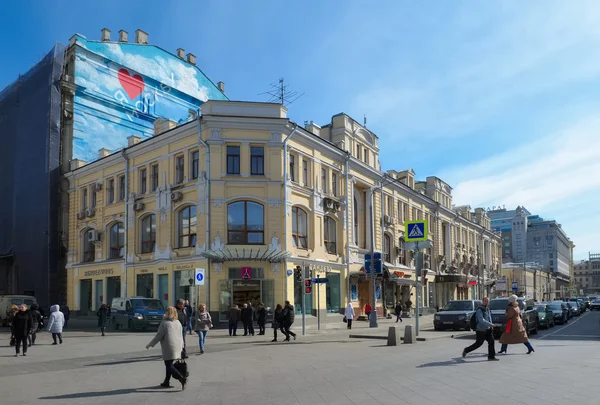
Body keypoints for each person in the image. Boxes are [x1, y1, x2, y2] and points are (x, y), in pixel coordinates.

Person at [146, 306, 187, 390]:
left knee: (168, 365)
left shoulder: (164, 323)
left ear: (168, 313)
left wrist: (150, 344)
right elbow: (181, 335)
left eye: (166, 312)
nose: (165, 313)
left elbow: (159, 336)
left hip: (169, 346)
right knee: (169, 363)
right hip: (178, 345)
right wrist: (182, 346)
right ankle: (166, 381)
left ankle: (181, 378)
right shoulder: (178, 322)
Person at [462, 297, 498, 361]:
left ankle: (491, 357)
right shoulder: (479, 310)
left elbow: (489, 318)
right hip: (481, 330)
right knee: (478, 344)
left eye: (487, 301)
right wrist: (491, 324)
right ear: (482, 302)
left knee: (491, 342)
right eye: (485, 301)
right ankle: (466, 350)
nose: (486, 302)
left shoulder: (487, 309)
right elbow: (481, 320)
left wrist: (491, 326)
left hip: (488, 329)